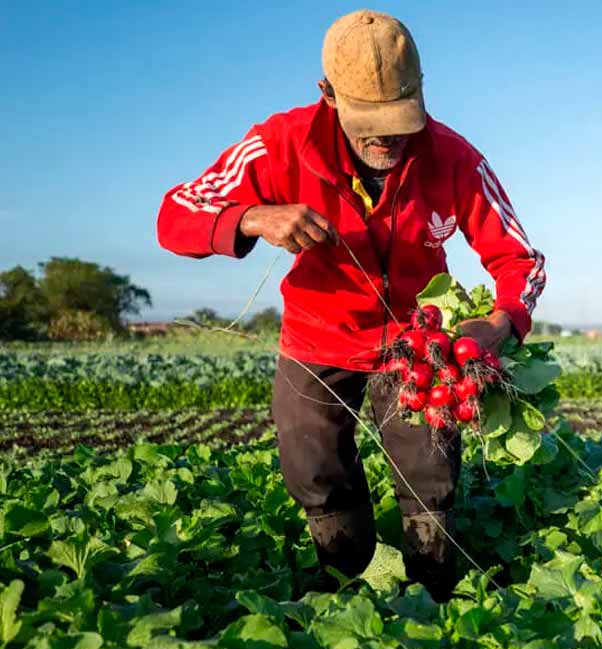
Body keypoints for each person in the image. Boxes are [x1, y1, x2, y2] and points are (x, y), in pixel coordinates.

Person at [156, 9, 546, 601]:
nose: (387, 136)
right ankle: (342, 591)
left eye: (399, 116)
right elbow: (175, 215)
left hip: (414, 346)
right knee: (314, 470)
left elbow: (521, 260)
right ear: (328, 95)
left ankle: (434, 600)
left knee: (430, 475)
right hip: (319, 337)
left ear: (420, 91)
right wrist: (253, 218)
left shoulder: (453, 157)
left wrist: (500, 323)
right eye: (370, 120)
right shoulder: (279, 144)